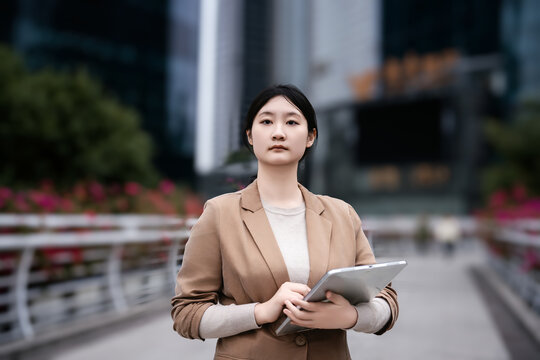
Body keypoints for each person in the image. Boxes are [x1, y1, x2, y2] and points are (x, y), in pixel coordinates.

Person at [171, 85, 399, 359]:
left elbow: (385, 299)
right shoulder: (219, 214)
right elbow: (186, 313)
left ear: (310, 136)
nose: (278, 132)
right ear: (250, 136)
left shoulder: (342, 214)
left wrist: (349, 316)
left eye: (292, 122)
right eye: (266, 121)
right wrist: (261, 311)